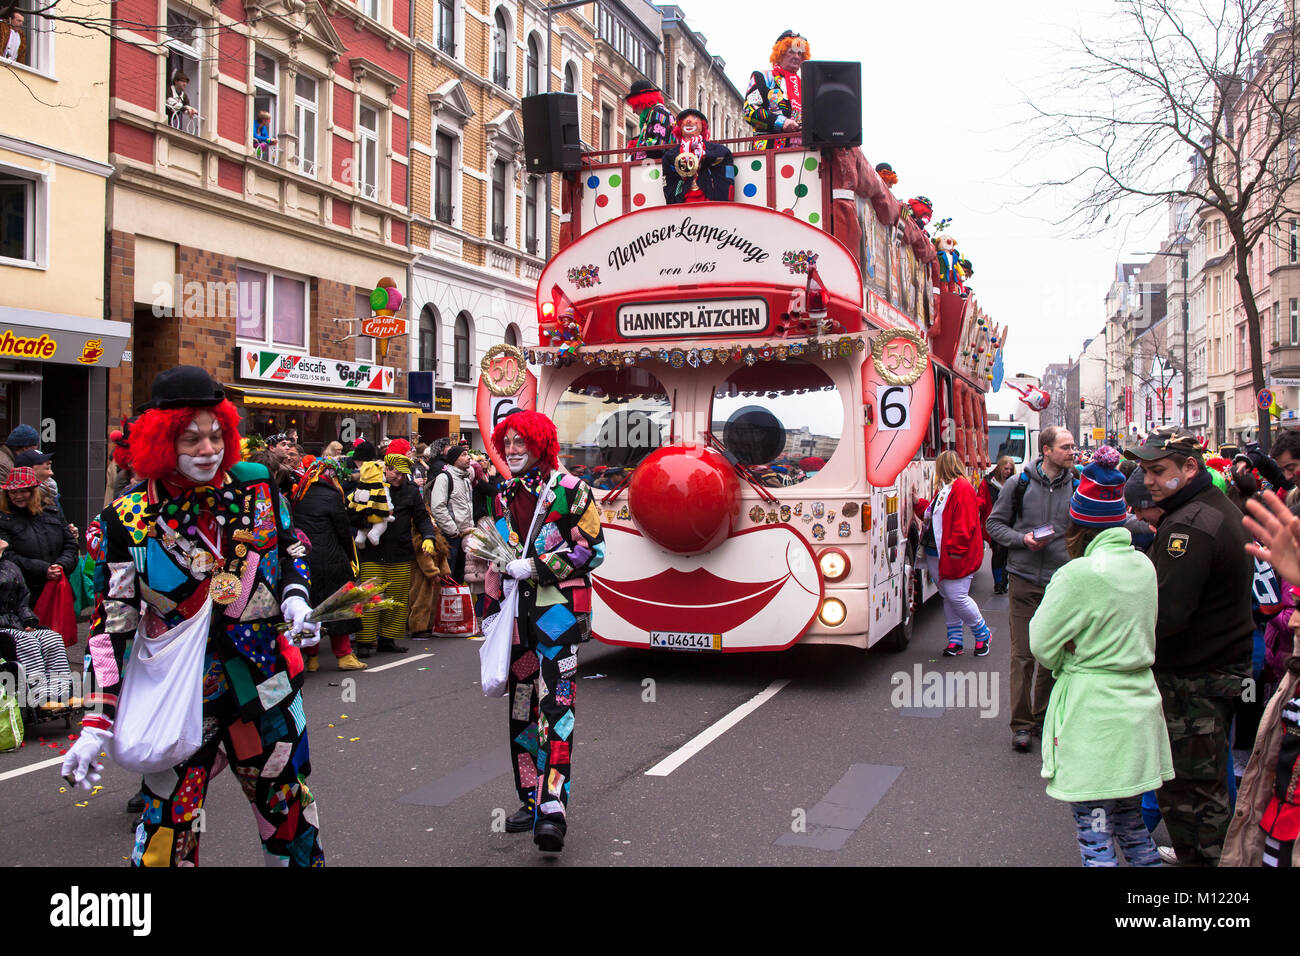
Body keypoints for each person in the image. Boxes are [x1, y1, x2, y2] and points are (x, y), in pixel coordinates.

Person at [61, 366, 325, 866]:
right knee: (167, 826)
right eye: (191, 439)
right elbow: (112, 621)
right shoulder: (129, 518)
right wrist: (97, 720)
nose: (208, 450)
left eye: (215, 435)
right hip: (183, 698)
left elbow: (292, 548)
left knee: (287, 808)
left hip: (266, 684)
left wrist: (294, 596)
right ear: (163, 440)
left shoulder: (259, 487)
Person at [1029, 446, 1173, 867]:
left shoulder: (1078, 575)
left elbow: (1040, 642)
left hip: (1095, 720)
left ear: (1078, 523)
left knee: (1095, 838)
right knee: (1131, 828)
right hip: (1140, 711)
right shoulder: (1143, 565)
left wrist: (1068, 654)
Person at [1123, 429, 1254, 867]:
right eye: (1145, 471)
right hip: (1210, 675)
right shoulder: (1207, 510)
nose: (1150, 481)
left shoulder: (1189, 525)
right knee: (1205, 791)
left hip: (1193, 683)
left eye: (1158, 471)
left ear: (1190, 468)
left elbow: (1166, 615)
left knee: (1191, 801)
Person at [482, 410, 604, 852]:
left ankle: (553, 806)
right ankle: (528, 798)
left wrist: (539, 566)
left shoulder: (572, 491)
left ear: (541, 445)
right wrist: (490, 610)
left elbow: (593, 550)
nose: (512, 451)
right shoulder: (500, 494)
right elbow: (497, 556)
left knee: (557, 708)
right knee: (520, 710)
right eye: (506, 443)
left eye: (521, 443)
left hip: (558, 621)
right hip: (516, 623)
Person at [985, 426, 1078, 753]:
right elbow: (994, 525)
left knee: (1053, 655)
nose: (1072, 451)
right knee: (1023, 655)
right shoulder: (1018, 484)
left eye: (1072, 446)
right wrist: (1021, 540)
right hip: (1024, 578)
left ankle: (1042, 717)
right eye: (1065, 447)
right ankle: (1022, 726)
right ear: (1047, 450)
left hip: (1062, 582)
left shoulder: (1078, 485)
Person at [353, 450, 440, 656]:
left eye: (403, 473)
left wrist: (429, 537)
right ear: (386, 469)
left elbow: (422, 517)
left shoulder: (410, 491)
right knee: (370, 597)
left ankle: (387, 639)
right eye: (396, 473)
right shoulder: (369, 486)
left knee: (397, 600)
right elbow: (353, 514)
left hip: (400, 552)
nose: (399, 477)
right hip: (372, 553)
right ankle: (365, 641)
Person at [290, 459, 366, 671]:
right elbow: (343, 531)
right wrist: (351, 558)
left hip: (307, 559)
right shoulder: (333, 496)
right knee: (339, 607)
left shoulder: (299, 495)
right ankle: (344, 656)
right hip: (333, 559)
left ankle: (311, 659)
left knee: (311, 609)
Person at [920, 451, 993, 657]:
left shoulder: (961, 488)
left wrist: (956, 550)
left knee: (956, 596)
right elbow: (934, 516)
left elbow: (965, 522)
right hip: (941, 552)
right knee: (949, 597)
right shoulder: (948, 488)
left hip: (953, 553)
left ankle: (982, 632)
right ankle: (955, 640)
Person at [0, 532, 76, 709]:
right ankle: (40, 695)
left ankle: (61, 693)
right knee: (28, 642)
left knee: (52, 638)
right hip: (3, 628)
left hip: (14, 624)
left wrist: (29, 622)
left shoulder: (10, 567)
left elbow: (22, 600)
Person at [0, 466, 77, 611]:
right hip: (23, 596)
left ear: (33, 491)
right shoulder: (4, 519)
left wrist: (61, 566)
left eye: (23, 491)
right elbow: (7, 555)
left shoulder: (52, 511)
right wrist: (43, 569)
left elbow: (70, 544)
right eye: (13, 492)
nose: (18, 496)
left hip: (57, 590)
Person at [743, 30, 808, 149]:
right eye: (792, 52)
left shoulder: (806, 85)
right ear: (780, 53)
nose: (797, 57)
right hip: (770, 151)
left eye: (800, 53)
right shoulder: (763, 77)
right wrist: (781, 122)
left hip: (805, 152)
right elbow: (749, 110)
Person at [662, 109, 734, 205]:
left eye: (694, 118)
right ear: (679, 126)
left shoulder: (719, 151)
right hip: (683, 203)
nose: (688, 120)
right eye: (684, 119)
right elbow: (668, 183)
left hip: (710, 201)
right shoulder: (670, 156)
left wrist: (704, 157)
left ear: (702, 125)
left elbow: (727, 177)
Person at [428, 445, 474, 582]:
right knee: (448, 576)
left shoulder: (465, 480)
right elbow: (438, 507)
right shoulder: (444, 478)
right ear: (454, 459)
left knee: (460, 576)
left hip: (465, 536)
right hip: (450, 537)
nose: (468, 458)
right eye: (464, 455)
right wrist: (452, 530)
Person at [977, 455, 1015, 594]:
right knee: (998, 552)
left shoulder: (1015, 482)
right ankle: (998, 583)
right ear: (1000, 467)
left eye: (1010, 469)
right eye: (1006, 468)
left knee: (1007, 554)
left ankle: (1003, 581)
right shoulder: (988, 482)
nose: (1008, 471)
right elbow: (981, 499)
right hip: (994, 523)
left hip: (1011, 523)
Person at [626, 79, 675, 159]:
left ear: (642, 102)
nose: (634, 111)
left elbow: (658, 146)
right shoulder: (653, 114)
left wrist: (636, 154)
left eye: (635, 106)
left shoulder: (658, 112)